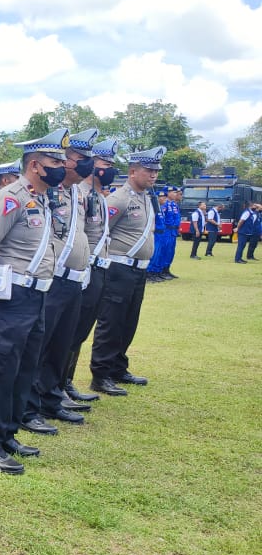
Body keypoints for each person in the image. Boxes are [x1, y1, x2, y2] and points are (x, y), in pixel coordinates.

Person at [0, 129, 68, 474]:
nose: (61, 166)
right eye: (54, 161)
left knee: (24, 366)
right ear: (34, 165)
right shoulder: (10, 198)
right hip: (9, 294)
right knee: (2, 368)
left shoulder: (43, 198)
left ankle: (8, 433)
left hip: (37, 293)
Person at [27, 128, 100, 426]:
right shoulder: (47, 192)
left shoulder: (78, 193)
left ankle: (52, 397)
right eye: (80, 159)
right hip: (53, 279)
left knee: (62, 343)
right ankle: (30, 405)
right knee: (40, 347)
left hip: (74, 279)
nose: (86, 165)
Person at [89, 147, 163, 396]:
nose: (153, 175)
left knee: (129, 320)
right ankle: (100, 374)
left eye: (155, 171)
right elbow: (99, 230)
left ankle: (118, 366)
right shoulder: (119, 199)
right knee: (111, 321)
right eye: (148, 170)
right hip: (119, 268)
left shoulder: (145, 197)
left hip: (138, 271)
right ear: (133, 171)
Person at [61, 137, 120, 403]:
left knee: (81, 330)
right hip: (80, 271)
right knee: (69, 333)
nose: (109, 168)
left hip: (98, 268)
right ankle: (58, 384)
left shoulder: (97, 195)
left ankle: (66, 381)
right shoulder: (79, 193)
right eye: (104, 162)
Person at [146, 189, 169, 283]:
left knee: (158, 254)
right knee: (153, 254)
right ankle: (148, 274)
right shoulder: (153, 208)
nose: (164, 198)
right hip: (155, 234)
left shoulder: (160, 208)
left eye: (164, 197)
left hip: (161, 234)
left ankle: (155, 273)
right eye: (161, 197)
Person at [160, 186, 181, 278]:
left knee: (171, 251)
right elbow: (162, 219)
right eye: (173, 192)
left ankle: (167, 269)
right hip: (167, 230)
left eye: (176, 192)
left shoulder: (173, 204)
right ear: (167, 193)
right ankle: (161, 270)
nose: (175, 194)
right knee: (164, 250)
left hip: (173, 230)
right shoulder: (164, 204)